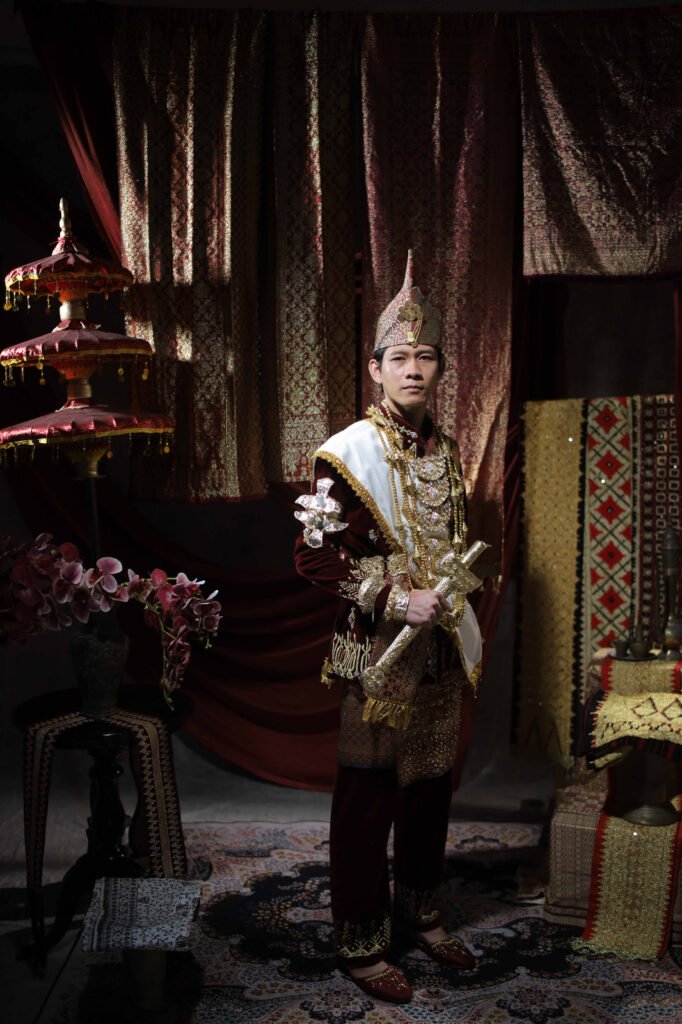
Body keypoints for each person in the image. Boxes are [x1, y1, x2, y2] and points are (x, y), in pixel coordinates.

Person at [293, 252, 485, 1004]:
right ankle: (362, 941)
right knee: (368, 798)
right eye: (399, 358)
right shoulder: (345, 454)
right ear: (375, 370)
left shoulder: (450, 450)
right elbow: (312, 558)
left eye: (425, 356)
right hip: (377, 652)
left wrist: (450, 593)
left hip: (440, 650)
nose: (413, 369)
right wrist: (393, 599)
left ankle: (422, 912)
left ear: (439, 369)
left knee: (430, 787)